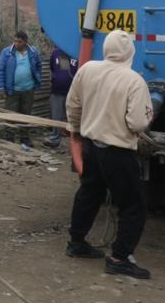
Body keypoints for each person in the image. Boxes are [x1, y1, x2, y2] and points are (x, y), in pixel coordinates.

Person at [64, 29, 154, 279]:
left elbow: (73, 103)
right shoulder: (134, 80)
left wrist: (75, 130)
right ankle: (119, 258)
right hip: (118, 152)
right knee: (133, 205)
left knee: (89, 194)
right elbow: (137, 123)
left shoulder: (88, 69)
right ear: (130, 52)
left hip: (91, 147)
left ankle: (76, 242)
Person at [0, 30, 43, 150]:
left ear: (26, 42)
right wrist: (1, 88)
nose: (16, 43)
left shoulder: (33, 52)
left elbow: (38, 66)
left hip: (28, 89)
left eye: (19, 41)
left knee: (26, 115)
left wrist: (37, 78)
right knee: (11, 115)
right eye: (15, 41)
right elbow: (0, 70)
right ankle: (9, 138)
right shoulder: (7, 52)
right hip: (12, 90)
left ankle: (24, 138)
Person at [44, 41, 76, 149]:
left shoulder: (76, 53)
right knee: (56, 116)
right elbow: (52, 68)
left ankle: (75, 142)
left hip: (73, 92)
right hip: (57, 90)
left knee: (74, 116)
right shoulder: (56, 53)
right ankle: (55, 139)